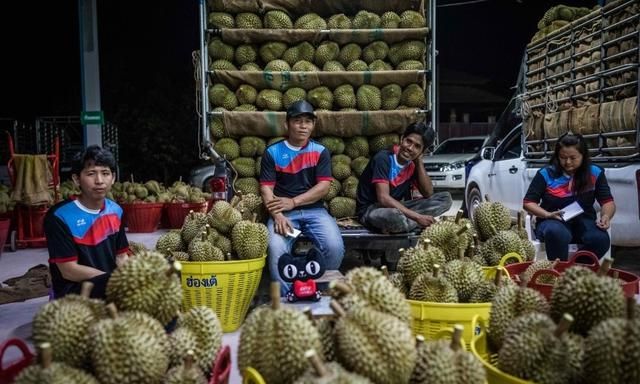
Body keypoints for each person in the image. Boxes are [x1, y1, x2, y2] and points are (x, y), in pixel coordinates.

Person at [260, 100, 344, 295]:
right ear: (287, 124)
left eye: (308, 121)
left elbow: (323, 187)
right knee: (275, 248)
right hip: (284, 213)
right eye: (298, 121)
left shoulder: (320, 151)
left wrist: (295, 201)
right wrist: (278, 215)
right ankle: (287, 296)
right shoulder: (273, 152)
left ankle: (318, 290)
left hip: (315, 211)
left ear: (313, 125)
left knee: (334, 246)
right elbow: (266, 188)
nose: (303, 126)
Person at [44, 145, 129, 299]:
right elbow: (69, 270)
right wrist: (114, 280)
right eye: (91, 174)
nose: (99, 181)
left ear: (114, 178)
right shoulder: (59, 216)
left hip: (110, 284)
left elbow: (121, 257)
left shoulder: (116, 210)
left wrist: (132, 278)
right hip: (74, 291)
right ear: (77, 179)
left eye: (105, 173)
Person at [523, 132, 615, 261]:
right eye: (562, 157)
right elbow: (528, 202)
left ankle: (576, 269)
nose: (567, 162)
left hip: (584, 221)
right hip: (552, 221)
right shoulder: (545, 174)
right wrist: (547, 214)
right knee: (557, 233)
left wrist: (606, 216)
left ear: (583, 156)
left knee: (600, 240)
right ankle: (559, 271)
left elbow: (607, 202)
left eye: (573, 158)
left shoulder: (595, 173)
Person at [356, 122, 453, 234]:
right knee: (395, 217)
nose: (410, 148)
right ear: (402, 139)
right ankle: (410, 223)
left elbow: (428, 193)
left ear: (423, 151)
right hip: (372, 210)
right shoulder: (383, 158)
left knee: (445, 199)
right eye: (408, 141)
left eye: (417, 146)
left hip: (398, 208)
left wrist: (419, 161)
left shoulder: (412, 164)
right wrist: (417, 217)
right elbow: (383, 198)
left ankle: (403, 225)